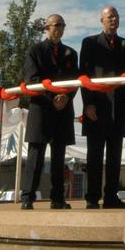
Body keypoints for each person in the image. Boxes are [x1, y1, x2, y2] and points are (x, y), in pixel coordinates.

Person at [21, 14, 78, 209]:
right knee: (35, 157)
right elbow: (32, 79)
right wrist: (52, 99)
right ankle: (27, 198)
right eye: (56, 25)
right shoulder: (35, 51)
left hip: (63, 111)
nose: (59, 28)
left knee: (59, 158)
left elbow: (75, 81)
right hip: (42, 109)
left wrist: (65, 98)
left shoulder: (71, 53)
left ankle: (58, 199)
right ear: (46, 28)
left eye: (62, 25)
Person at [80, 5, 125, 209]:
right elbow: (83, 75)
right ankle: (92, 198)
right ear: (101, 20)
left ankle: (111, 196)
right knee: (94, 155)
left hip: (118, 108)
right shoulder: (90, 43)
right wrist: (88, 104)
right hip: (97, 107)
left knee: (115, 156)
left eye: (116, 16)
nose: (114, 19)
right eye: (109, 16)